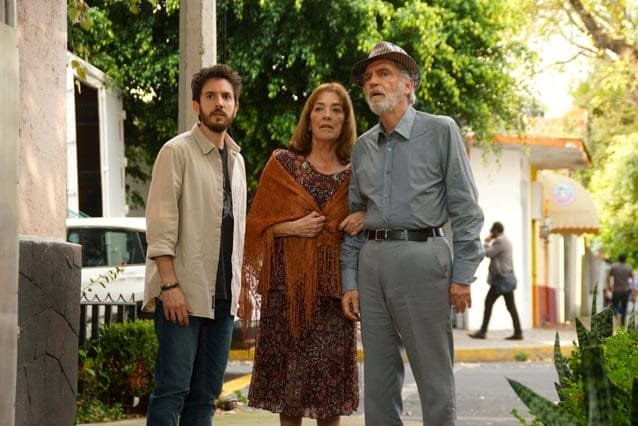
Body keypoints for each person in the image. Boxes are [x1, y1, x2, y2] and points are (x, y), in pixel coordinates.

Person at [340, 41, 484, 426]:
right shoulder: (363, 147)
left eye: (384, 74)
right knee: (378, 380)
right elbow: (355, 217)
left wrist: (463, 275)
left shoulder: (441, 130)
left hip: (424, 259)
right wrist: (350, 280)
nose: (373, 82)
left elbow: (466, 208)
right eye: (368, 77)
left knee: (434, 377)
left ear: (408, 85)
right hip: (372, 264)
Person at [241, 82, 363, 426]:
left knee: (329, 397)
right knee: (290, 394)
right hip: (287, 296)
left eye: (336, 109)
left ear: (345, 120)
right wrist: (291, 227)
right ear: (308, 119)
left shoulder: (357, 173)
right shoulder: (283, 166)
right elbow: (255, 225)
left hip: (334, 296)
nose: (327, 115)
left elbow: (375, 214)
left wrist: (366, 216)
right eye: (319, 108)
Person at [142, 64, 246, 426]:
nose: (220, 103)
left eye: (227, 97)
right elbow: (161, 224)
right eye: (210, 96)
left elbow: (236, 233)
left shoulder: (237, 160)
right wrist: (169, 286)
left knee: (205, 396)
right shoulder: (176, 152)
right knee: (172, 390)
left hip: (223, 300)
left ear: (235, 105)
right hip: (183, 294)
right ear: (196, 105)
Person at [468, 222, 523, 340]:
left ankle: (483, 332)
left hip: (501, 280)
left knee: (489, 303)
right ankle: (518, 332)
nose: (491, 233)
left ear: (496, 231)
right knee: (510, 307)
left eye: (492, 231)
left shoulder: (500, 241)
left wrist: (486, 242)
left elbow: (488, 253)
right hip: (505, 278)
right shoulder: (506, 240)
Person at [607, 253, 635, 326]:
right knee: (624, 307)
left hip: (616, 290)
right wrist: (632, 288)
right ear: (625, 259)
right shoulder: (628, 267)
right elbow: (633, 278)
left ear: (618, 258)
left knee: (615, 305)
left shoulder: (614, 266)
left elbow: (608, 277)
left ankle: (616, 318)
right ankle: (622, 323)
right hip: (625, 291)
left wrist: (609, 286)